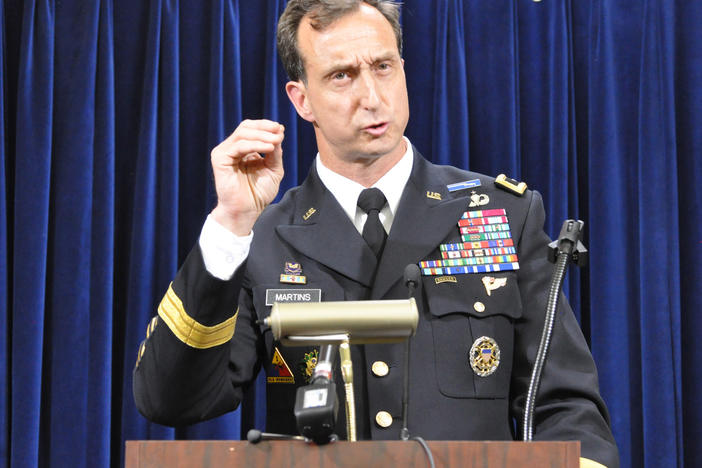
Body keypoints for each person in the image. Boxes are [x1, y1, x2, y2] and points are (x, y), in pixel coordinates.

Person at [133, 1, 619, 467]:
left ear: (403, 69)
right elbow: (170, 400)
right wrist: (230, 225)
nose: (372, 96)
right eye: (342, 75)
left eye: (383, 67)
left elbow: (565, 406)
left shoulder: (502, 215)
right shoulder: (263, 238)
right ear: (302, 100)